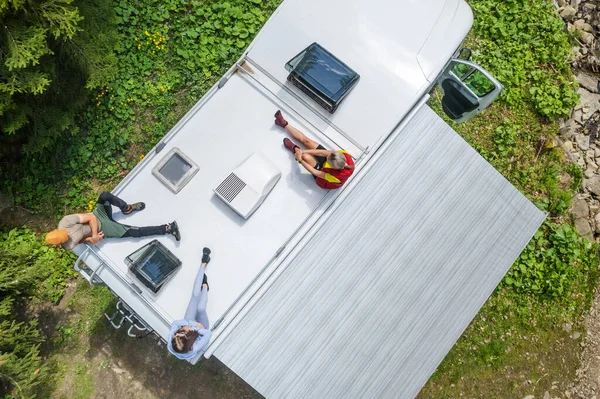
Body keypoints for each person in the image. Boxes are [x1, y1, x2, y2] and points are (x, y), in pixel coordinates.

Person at [45, 191, 181, 250]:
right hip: (103, 229)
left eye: (66, 234)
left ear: (59, 230)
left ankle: (126, 208)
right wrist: (91, 239)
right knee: (135, 232)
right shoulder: (67, 246)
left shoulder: (66, 221)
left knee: (104, 196)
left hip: (98, 215)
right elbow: (79, 241)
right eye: (66, 238)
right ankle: (168, 228)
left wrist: (93, 237)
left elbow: (91, 218)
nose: (68, 236)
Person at [274, 110, 355, 189]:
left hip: (323, 178)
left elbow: (314, 172)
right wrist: (303, 150)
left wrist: (300, 160)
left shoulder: (335, 177)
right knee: (307, 141)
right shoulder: (343, 154)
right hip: (333, 165)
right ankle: (283, 123)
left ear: (332, 166)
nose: (327, 156)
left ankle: (294, 148)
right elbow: (322, 153)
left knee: (305, 157)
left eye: (328, 160)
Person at [168, 247, 213, 360]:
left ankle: (204, 262)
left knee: (194, 297)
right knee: (201, 308)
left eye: (180, 331)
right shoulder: (194, 347)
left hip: (191, 321)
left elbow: (175, 324)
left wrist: (188, 324)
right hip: (201, 328)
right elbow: (208, 334)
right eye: (184, 331)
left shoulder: (172, 341)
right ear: (189, 338)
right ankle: (205, 287)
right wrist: (196, 329)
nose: (183, 329)